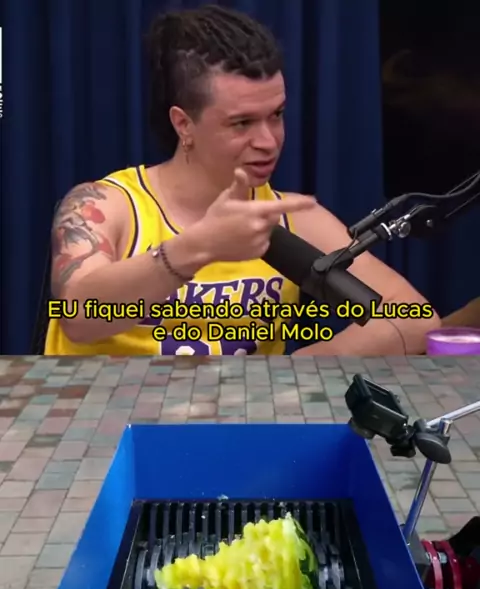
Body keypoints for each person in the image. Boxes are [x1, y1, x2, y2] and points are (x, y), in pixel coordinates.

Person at [44, 4, 440, 357]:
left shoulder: (294, 219)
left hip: (239, 413)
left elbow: (414, 319)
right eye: (242, 123)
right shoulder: (106, 205)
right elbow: (78, 319)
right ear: (184, 124)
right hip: (111, 414)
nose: (268, 141)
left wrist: (290, 374)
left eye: (277, 115)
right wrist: (197, 247)